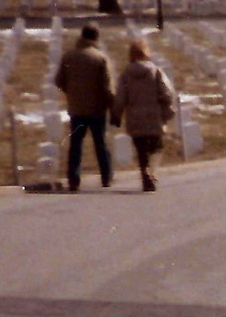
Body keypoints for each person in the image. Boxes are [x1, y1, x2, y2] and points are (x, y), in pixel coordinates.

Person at [53, 24, 116, 192]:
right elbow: (107, 87)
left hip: (77, 109)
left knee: (76, 145)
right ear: (96, 38)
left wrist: (71, 92)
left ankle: (73, 180)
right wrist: (113, 106)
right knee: (100, 144)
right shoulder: (100, 58)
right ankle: (106, 177)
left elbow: (58, 80)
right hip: (97, 109)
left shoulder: (68, 57)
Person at [111, 40, 177, 192]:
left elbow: (120, 97)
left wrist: (117, 113)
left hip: (135, 117)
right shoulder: (155, 71)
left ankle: (144, 171)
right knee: (156, 146)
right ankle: (152, 173)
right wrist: (167, 107)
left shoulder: (126, 74)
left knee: (141, 149)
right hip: (153, 116)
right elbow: (166, 92)